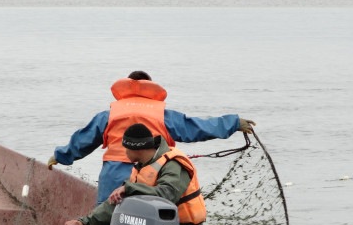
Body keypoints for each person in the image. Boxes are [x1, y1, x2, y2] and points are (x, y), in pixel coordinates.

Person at [48, 70, 255, 204]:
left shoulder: (110, 114)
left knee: (106, 218)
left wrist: (60, 156)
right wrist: (234, 123)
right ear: (150, 88)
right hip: (152, 174)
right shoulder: (162, 114)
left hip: (113, 173)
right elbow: (196, 127)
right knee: (152, 213)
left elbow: (83, 141)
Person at [65, 123, 206, 225]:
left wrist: (129, 188)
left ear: (137, 149)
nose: (125, 153)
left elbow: (168, 195)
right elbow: (117, 202)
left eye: (126, 149)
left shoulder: (173, 164)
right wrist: (85, 222)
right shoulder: (141, 168)